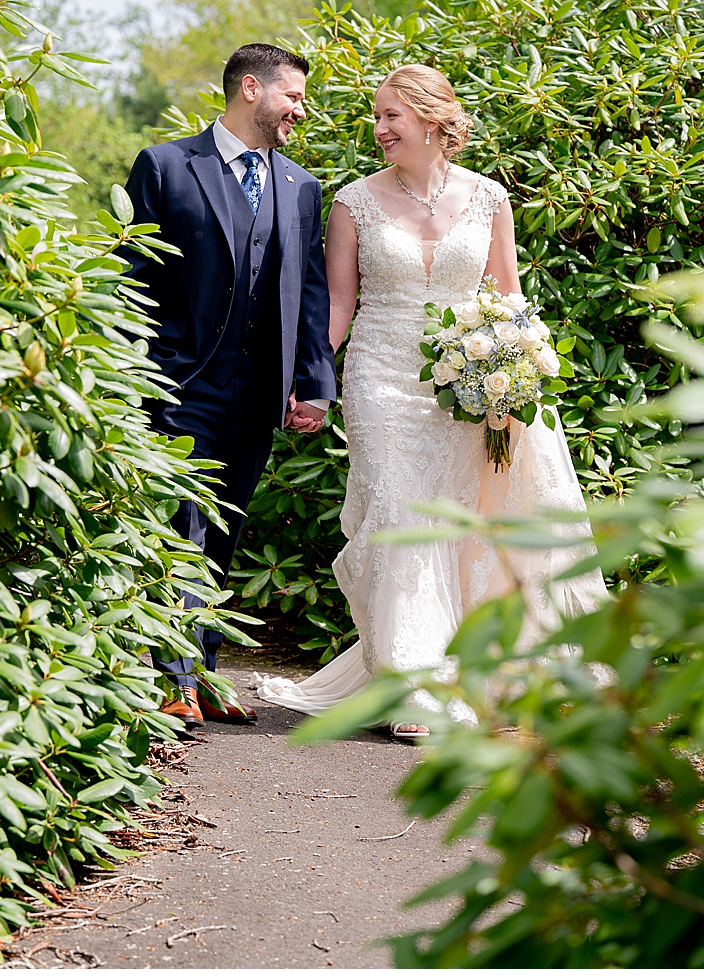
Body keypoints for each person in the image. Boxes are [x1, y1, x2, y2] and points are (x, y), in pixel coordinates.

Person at [252, 64, 606, 738]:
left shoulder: (489, 198)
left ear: (433, 119)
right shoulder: (355, 202)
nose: (380, 129)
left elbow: (507, 296)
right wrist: (313, 382)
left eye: (392, 116)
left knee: (462, 525)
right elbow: (339, 304)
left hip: (470, 384)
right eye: (378, 117)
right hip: (381, 375)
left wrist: (513, 371)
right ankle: (416, 685)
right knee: (398, 515)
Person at [122, 43, 340, 728]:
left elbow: (307, 294)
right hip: (179, 383)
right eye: (293, 97)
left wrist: (314, 383)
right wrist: (137, 370)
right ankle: (174, 677)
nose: (299, 112)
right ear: (252, 89)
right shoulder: (164, 165)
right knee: (180, 529)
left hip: (256, 393)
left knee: (224, 535)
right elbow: (133, 278)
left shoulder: (300, 187)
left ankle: (206, 673)